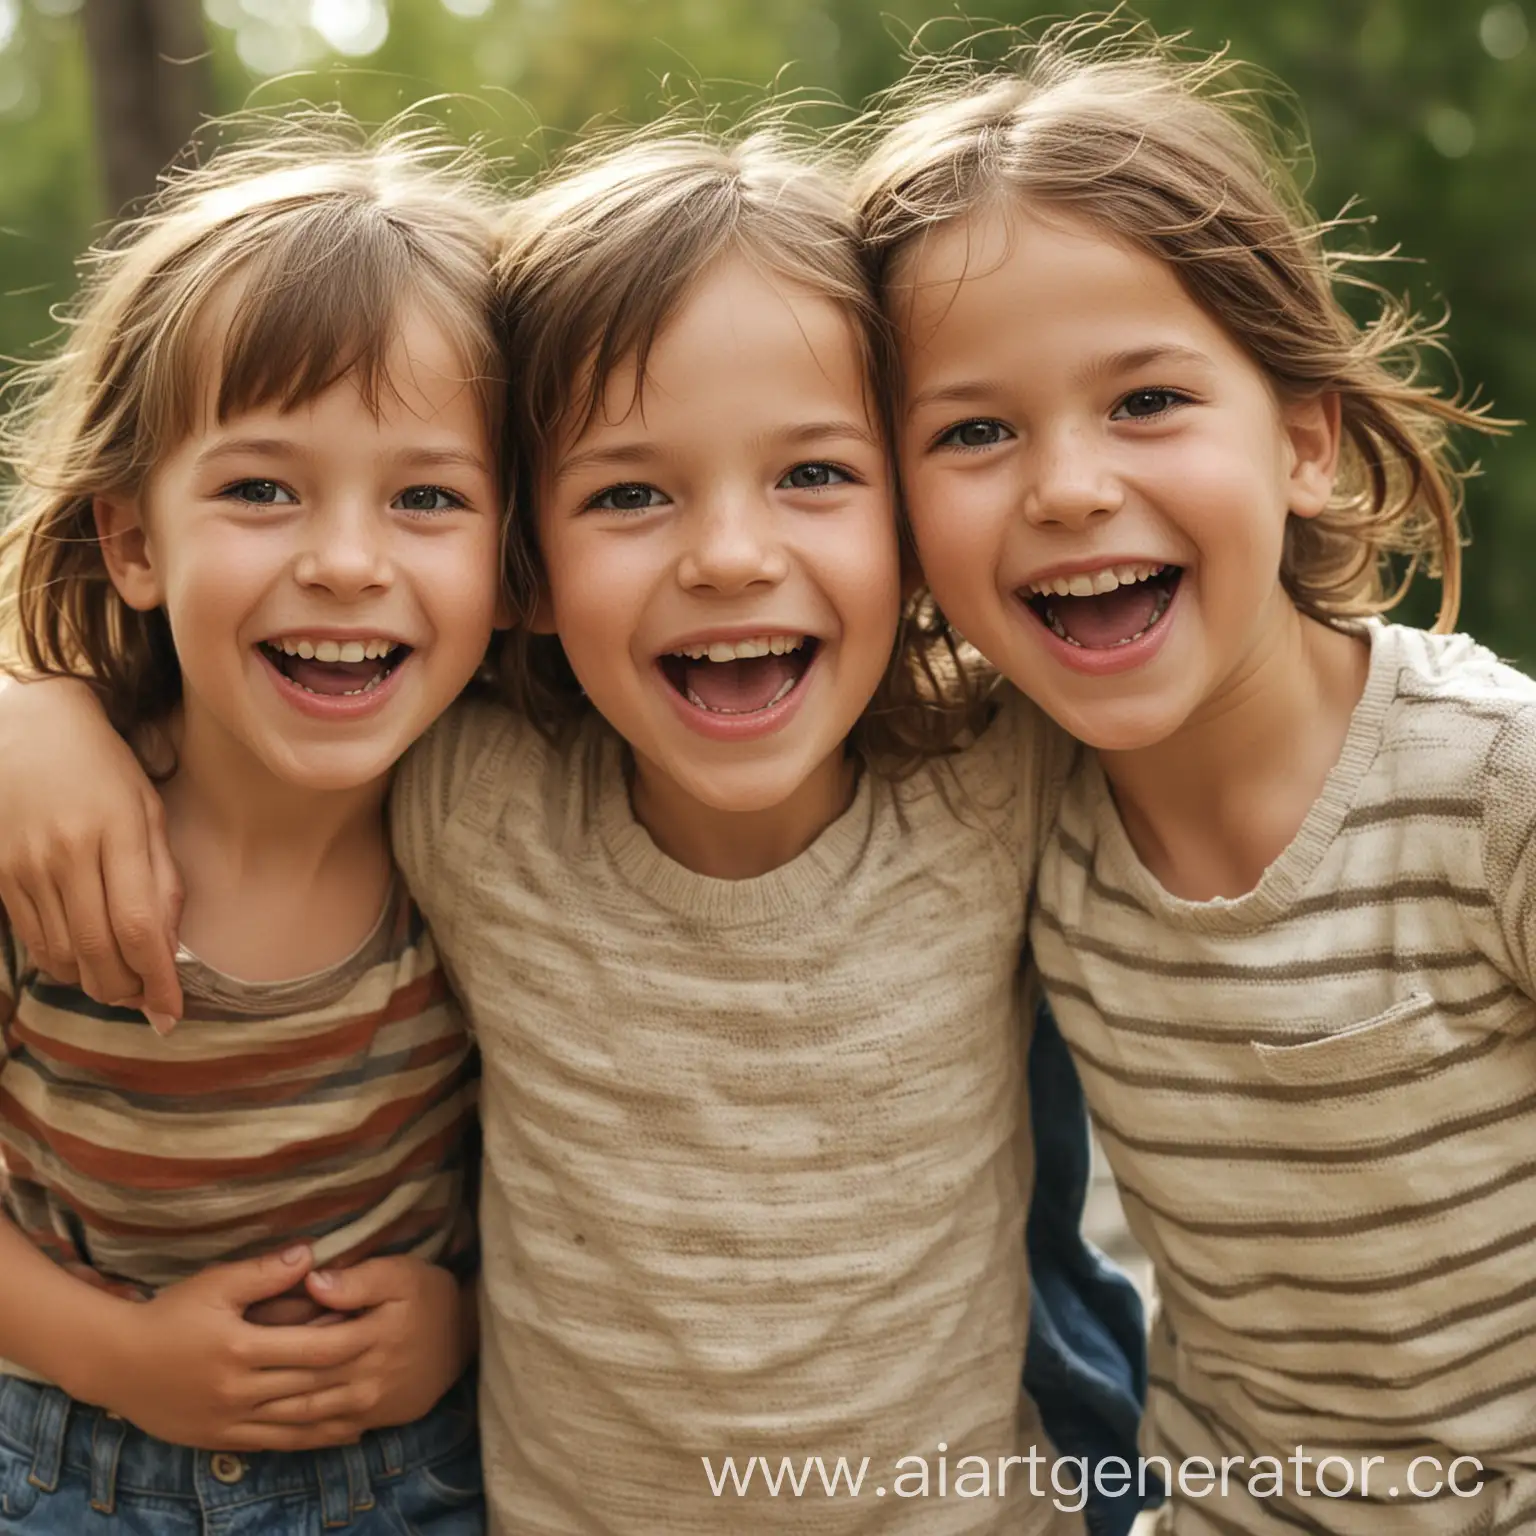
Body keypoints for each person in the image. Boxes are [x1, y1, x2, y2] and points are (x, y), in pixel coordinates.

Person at [0, 120, 1150, 1534]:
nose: (729, 555)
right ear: (530, 569)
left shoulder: (1001, 775)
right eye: (628, 492)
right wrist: (29, 716)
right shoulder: (466, 808)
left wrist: (461, 1323)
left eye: (814, 474)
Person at [856, 19, 1522, 1534]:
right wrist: (176, 775)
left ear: (1301, 439)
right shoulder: (997, 792)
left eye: (1146, 401)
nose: (1071, 483)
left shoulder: (1496, 787)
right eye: (973, 431)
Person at [0, 117, 506, 1532]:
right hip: (67, 1469)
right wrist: (127, 1360)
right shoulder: (43, 845)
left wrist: (464, 1324)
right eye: (262, 490)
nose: (346, 561)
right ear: (135, 541)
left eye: (425, 498)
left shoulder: (504, 830)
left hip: (425, 1474)